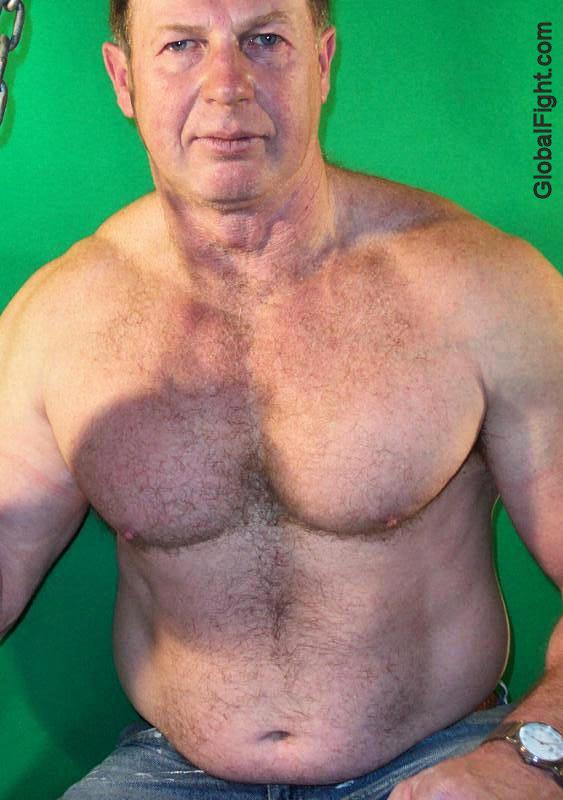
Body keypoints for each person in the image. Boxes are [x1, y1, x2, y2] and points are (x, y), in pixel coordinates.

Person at [0, 0, 561, 797]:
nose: (226, 85)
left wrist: (526, 757)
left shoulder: (483, 288)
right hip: (168, 773)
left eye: (264, 40)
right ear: (123, 80)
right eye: (180, 46)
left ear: (322, 64)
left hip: (440, 762)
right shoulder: (59, 320)